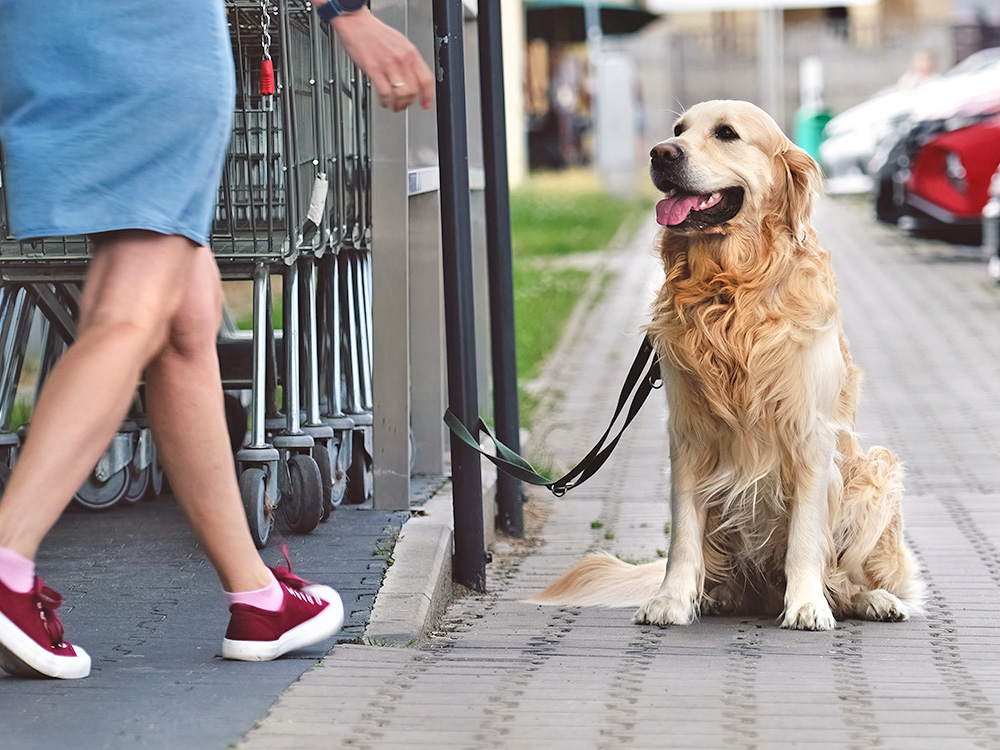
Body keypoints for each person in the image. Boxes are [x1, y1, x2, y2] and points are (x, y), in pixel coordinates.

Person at [0, 1, 434, 680]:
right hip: (146, 37)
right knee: (132, 310)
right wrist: (347, 10)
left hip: (46, 34)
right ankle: (6, 561)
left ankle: (257, 596)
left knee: (184, 318)